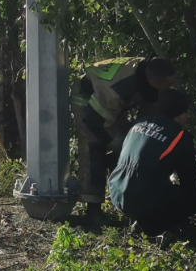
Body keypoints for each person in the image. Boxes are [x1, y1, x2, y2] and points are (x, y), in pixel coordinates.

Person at [71, 56, 176, 222]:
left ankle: (130, 199)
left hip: (110, 107)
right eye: (168, 85)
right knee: (94, 148)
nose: (170, 88)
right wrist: (122, 147)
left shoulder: (150, 72)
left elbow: (148, 115)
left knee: (129, 144)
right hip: (90, 102)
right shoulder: (116, 90)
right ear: (154, 82)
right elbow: (95, 123)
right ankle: (93, 211)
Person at [107, 88, 196, 238]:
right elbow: (188, 180)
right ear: (180, 114)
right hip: (141, 198)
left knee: (156, 185)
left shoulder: (139, 123)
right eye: (187, 113)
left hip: (116, 191)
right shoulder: (180, 136)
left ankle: (146, 218)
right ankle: (151, 227)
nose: (188, 117)